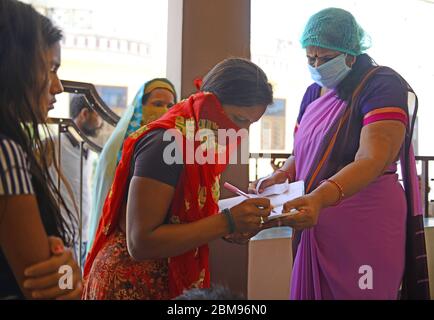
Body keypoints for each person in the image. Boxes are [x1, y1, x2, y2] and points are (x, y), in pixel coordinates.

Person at [252, 8, 430, 300]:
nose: (317, 65)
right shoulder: (313, 92)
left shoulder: (381, 84)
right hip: (317, 217)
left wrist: (320, 197)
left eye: (325, 58)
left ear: (351, 53)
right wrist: (281, 175)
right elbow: (302, 154)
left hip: (366, 218)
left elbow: (373, 159)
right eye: (310, 58)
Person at [83, 58, 274, 299]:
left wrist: (228, 226)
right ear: (210, 102)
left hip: (163, 278)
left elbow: (177, 217)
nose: (242, 132)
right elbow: (141, 242)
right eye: (239, 119)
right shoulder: (167, 142)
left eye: (250, 124)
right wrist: (227, 222)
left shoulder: (197, 140)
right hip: (132, 284)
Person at [0, 0, 81, 299]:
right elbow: (49, 289)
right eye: (50, 68)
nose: (57, 86)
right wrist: (68, 276)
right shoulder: (5, 153)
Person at [87, 78, 177, 251]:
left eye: (170, 106)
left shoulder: (172, 145)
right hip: (123, 241)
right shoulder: (119, 149)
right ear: (140, 108)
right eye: (157, 104)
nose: (165, 110)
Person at [51, 95, 102, 265]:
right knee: (64, 287)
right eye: (98, 116)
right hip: (63, 236)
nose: (100, 122)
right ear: (84, 114)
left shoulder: (90, 149)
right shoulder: (53, 144)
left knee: (77, 288)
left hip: (85, 236)